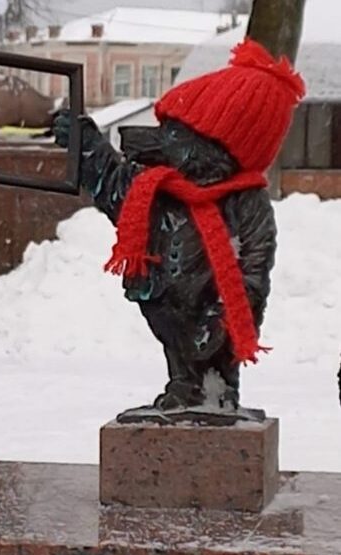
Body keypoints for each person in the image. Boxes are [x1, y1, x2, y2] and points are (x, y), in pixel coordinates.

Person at [53, 39, 305, 418]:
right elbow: (112, 184)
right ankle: (185, 388)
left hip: (211, 311)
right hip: (164, 301)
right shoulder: (157, 187)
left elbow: (252, 269)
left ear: (216, 149)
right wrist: (86, 146)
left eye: (174, 134)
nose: (160, 141)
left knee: (210, 359)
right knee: (178, 353)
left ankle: (216, 392)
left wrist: (220, 320)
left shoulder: (246, 203)